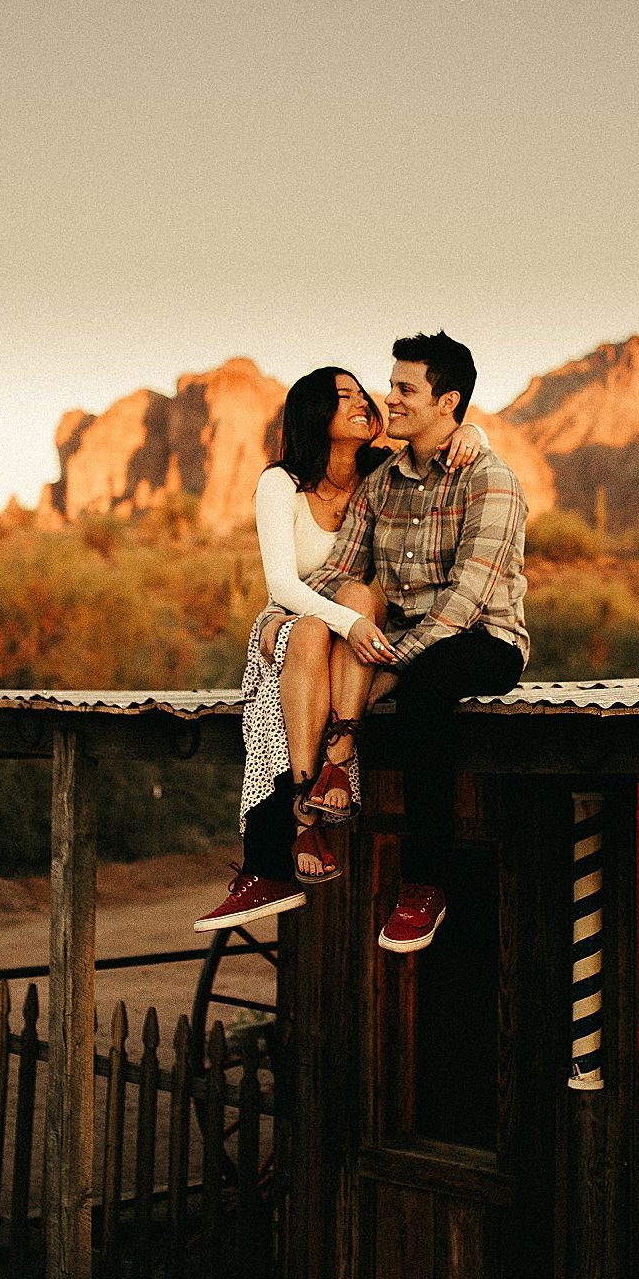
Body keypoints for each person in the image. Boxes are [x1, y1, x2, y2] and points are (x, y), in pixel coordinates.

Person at [194, 366, 484, 932]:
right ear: (314, 415)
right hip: (300, 624)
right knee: (308, 626)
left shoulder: (384, 470)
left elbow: (449, 445)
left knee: (358, 591)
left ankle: (330, 765)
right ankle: (313, 792)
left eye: (361, 393)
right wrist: (346, 625)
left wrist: (476, 434)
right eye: (343, 396)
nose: (364, 402)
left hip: (370, 625)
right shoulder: (280, 483)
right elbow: (282, 586)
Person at [304, 330, 528, 954]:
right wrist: (292, 614)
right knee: (306, 666)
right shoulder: (382, 484)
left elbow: (467, 600)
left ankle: (425, 883)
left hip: (483, 640)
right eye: (392, 384)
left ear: (447, 402)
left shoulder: (492, 479)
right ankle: (290, 838)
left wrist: (394, 664)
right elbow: (340, 571)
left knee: (424, 691)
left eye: (406, 389)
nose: (390, 398)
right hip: (400, 643)